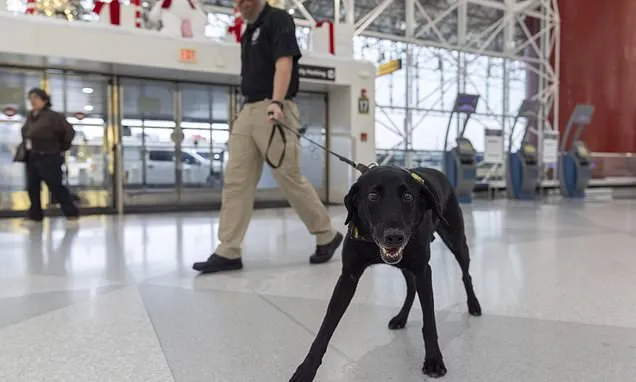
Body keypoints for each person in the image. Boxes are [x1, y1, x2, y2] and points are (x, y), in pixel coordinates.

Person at [193, 0, 343, 273]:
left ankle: (326, 234)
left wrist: (277, 101)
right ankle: (228, 250)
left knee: (289, 177)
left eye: (246, 0)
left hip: (274, 107)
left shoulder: (278, 19)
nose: (241, 4)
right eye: (237, 1)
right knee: (236, 180)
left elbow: (283, 63)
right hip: (248, 109)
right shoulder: (248, 30)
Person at [20, 87, 79, 227]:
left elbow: (69, 132)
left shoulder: (53, 116)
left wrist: (60, 148)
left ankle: (71, 214)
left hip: (49, 157)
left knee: (55, 186)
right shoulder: (31, 116)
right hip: (32, 156)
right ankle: (35, 216)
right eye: (31, 98)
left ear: (44, 100)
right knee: (32, 187)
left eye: (36, 98)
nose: (33, 101)